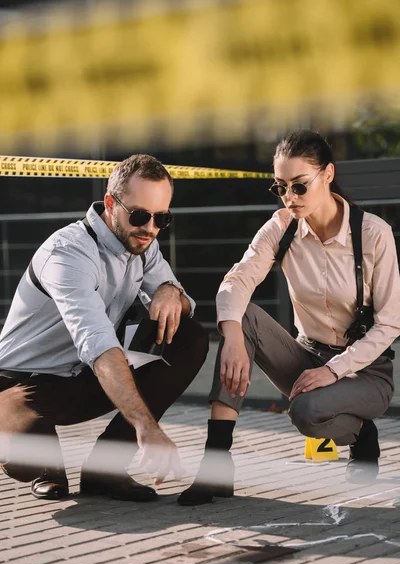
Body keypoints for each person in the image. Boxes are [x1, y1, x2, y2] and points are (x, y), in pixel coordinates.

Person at [178, 130, 400, 506]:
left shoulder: (374, 234)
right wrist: (231, 337)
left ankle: (362, 433)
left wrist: (332, 371)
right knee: (242, 317)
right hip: (305, 356)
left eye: (299, 187)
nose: (289, 198)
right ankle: (216, 465)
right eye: (280, 188)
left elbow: (390, 324)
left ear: (328, 175)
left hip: (366, 371)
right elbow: (238, 279)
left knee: (307, 412)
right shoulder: (282, 228)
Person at [0, 154, 209, 501]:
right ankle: (39, 452)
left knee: (189, 337)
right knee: (24, 459)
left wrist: (172, 291)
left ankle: (104, 470)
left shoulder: (144, 242)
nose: (151, 228)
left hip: (77, 378)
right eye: (141, 215)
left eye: (162, 218)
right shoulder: (69, 253)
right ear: (111, 204)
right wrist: (146, 427)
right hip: (21, 381)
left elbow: (181, 301)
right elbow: (98, 346)